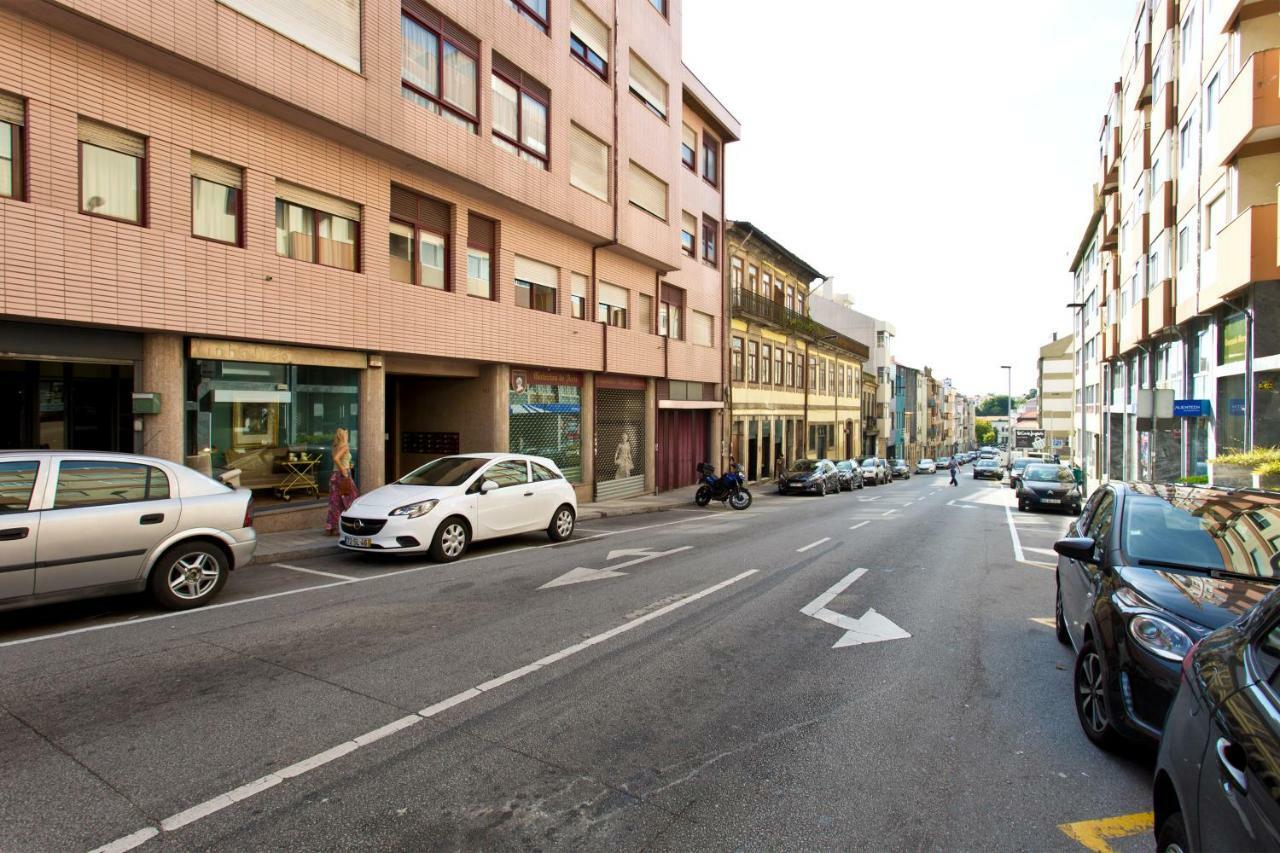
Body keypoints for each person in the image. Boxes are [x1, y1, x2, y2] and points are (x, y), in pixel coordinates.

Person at [325, 427, 358, 536]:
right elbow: (336, 459)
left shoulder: (335, 447)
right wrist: (343, 469)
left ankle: (332, 528)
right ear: (344, 435)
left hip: (335, 475)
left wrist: (348, 464)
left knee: (335, 502)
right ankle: (350, 526)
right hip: (342, 476)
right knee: (351, 500)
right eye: (347, 434)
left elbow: (337, 458)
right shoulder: (344, 446)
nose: (348, 436)